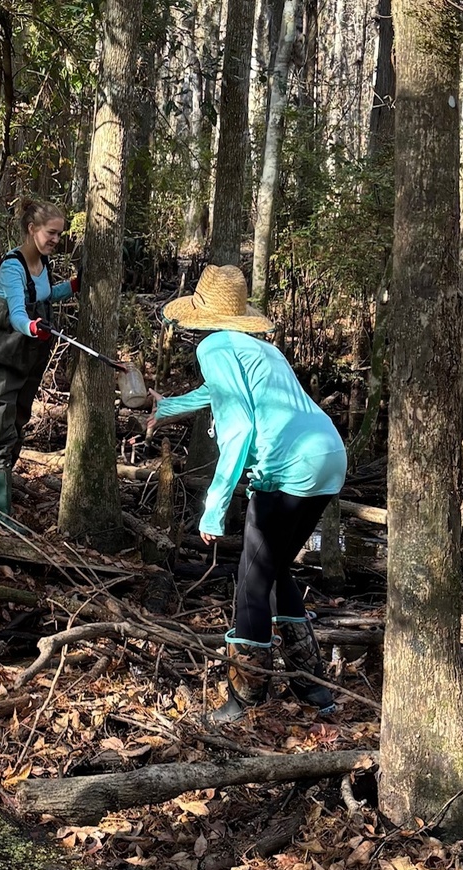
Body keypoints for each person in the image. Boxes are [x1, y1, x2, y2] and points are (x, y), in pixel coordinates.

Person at [148, 265, 347, 722]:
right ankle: (314, 689)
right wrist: (168, 408)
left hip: (288, 467)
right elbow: (221, 393)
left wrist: (213, 508)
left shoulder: (213, 345)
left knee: (251, 583)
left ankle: (245, 697)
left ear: (200, 313)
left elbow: (238, 428)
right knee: (275, 572)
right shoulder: (260, 349)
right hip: (328, 457)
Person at [0, 199, 79, 518]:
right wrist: (32, 326)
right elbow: (17, 312)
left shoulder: (43, 264)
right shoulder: (12, 268)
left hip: (24, 364)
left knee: (13, 426)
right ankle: (0, 515)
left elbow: (43, 295)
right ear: (32, 229)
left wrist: (72, 286)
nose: (56, 239)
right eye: (51, 233)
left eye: (60, 234)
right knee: (0, 435)